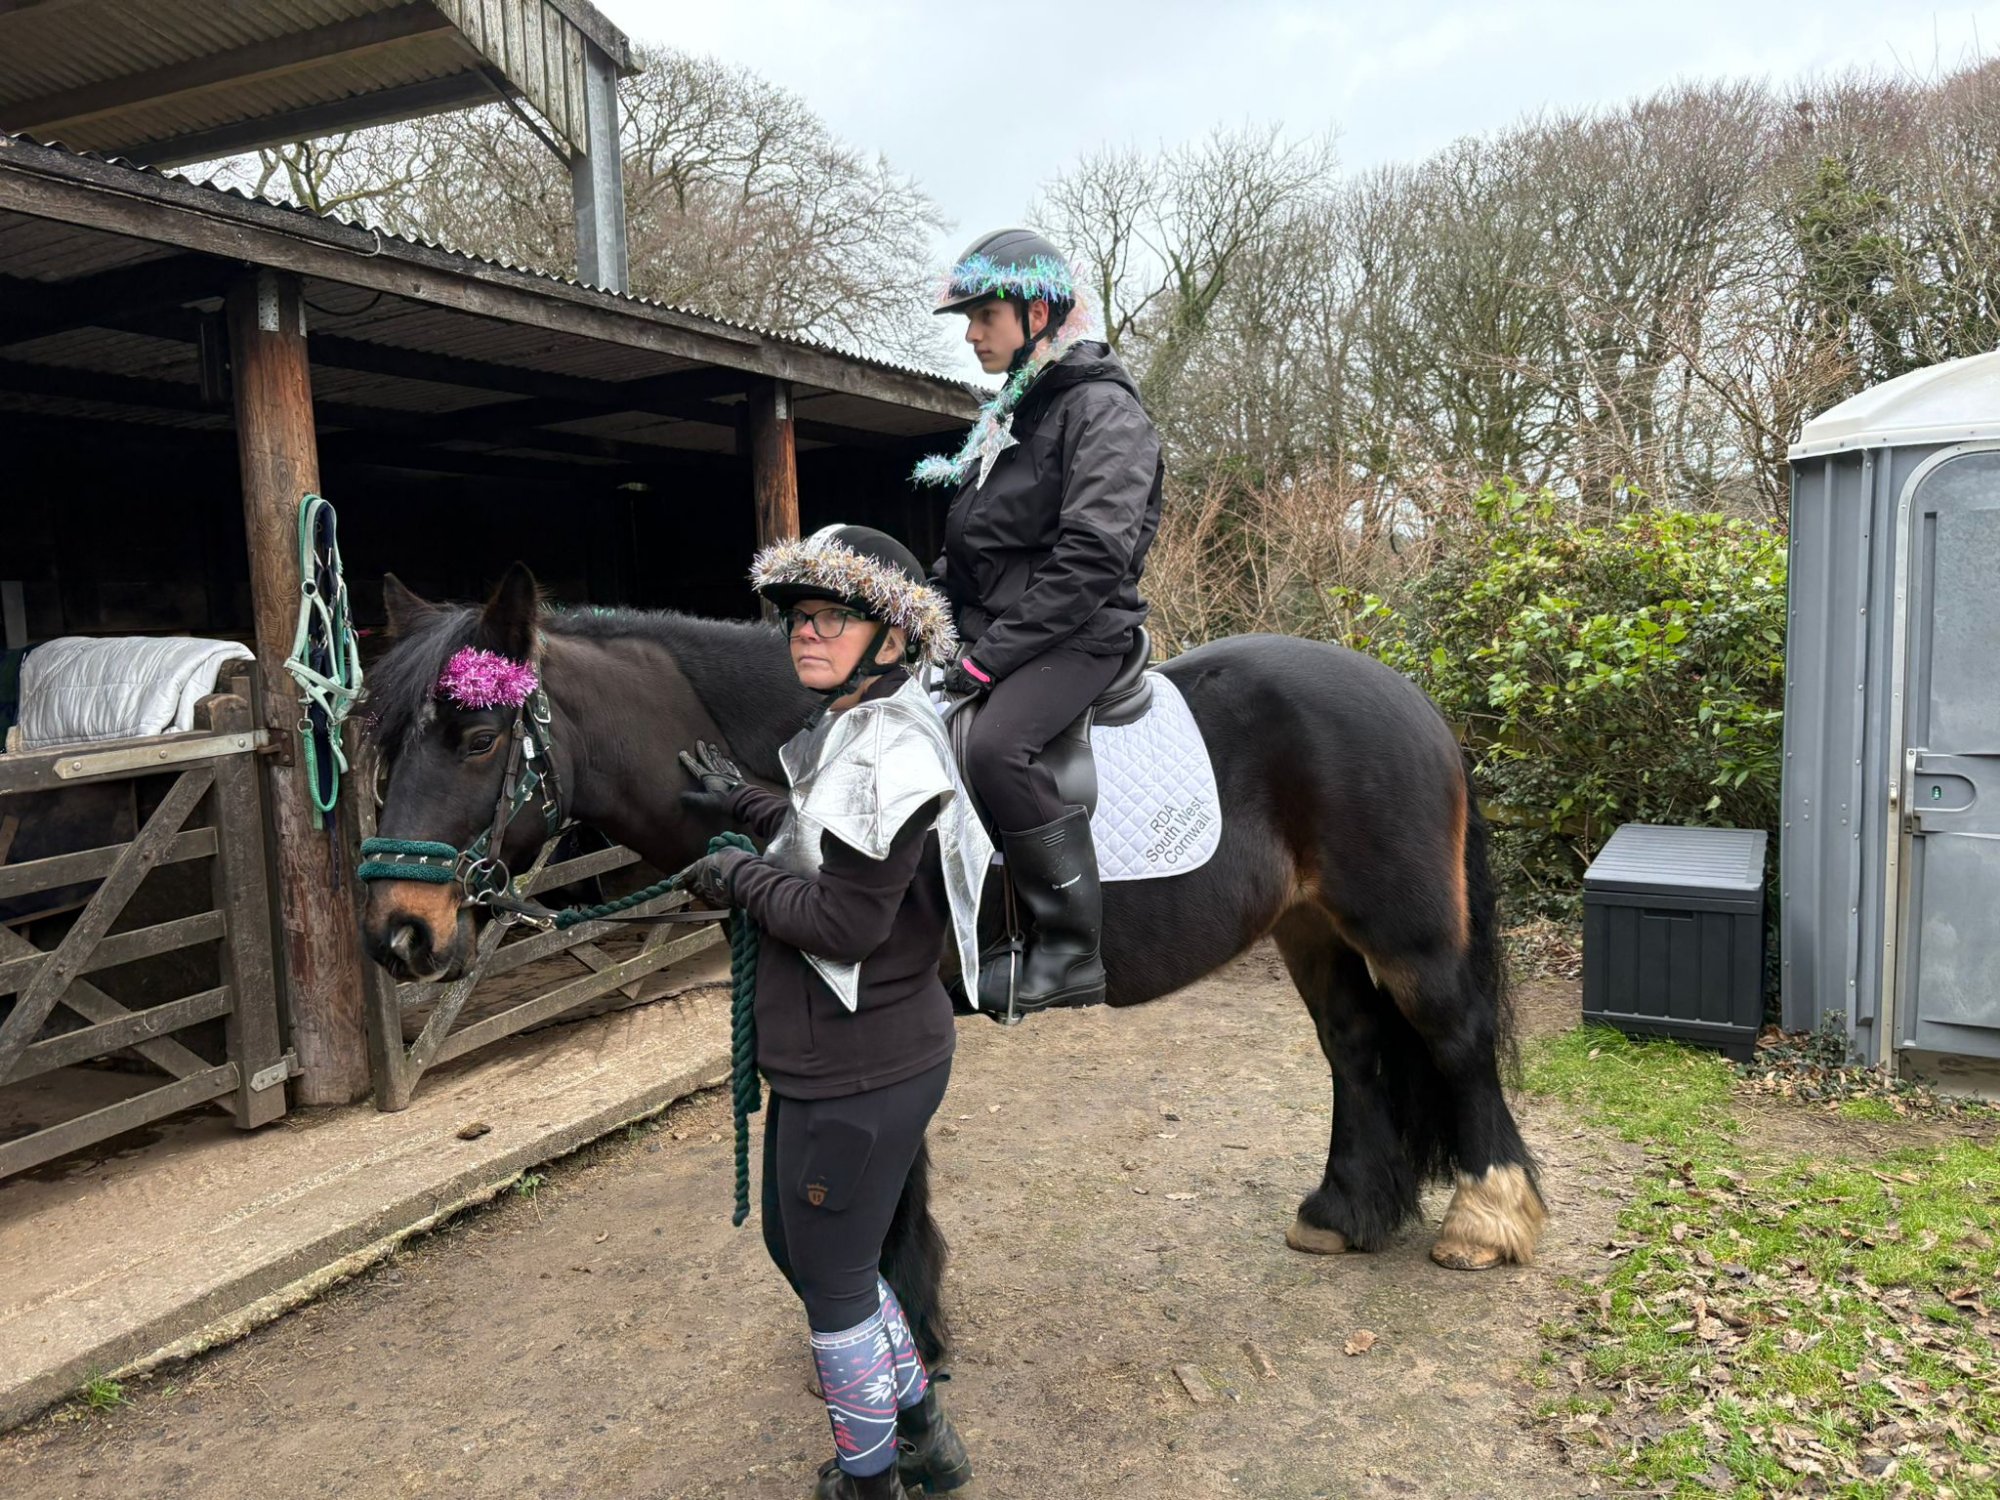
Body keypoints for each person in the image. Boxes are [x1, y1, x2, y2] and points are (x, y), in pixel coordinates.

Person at [673, 525, 990, 1500]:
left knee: (836, 1283)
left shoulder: (887, 748)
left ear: (890, 638)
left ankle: (870, 1480)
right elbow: (827, 836)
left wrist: (735, 879)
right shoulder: (858, 728)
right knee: (802, 1249)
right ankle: (922, 1437)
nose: (806, 634)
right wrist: (755, 808)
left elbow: (846, 919)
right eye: (798, 617)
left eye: (831, 617)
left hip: (860, 1067)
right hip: (842, 1062)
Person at [915, 226, 1164, 1014]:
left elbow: (1092, 559)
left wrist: (988, 660)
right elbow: (976, 550)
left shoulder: (1103, 412)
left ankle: (1067, 949)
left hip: (1080, 632)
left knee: (995, 747)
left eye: (983, 314)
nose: (972, 333)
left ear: (1038, 312)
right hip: (1004, 629)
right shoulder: (1013, 415)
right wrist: (915, 613)